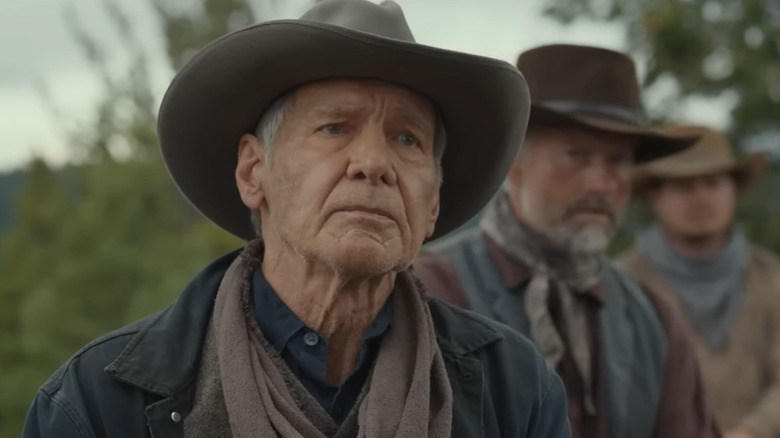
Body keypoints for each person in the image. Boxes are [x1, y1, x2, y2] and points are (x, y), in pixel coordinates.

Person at [21, 1, 572, 437]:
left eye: (407, 139)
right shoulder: (97, 404)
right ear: (253, 171)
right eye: (335, 127)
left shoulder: (515, 391)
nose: (374, 163)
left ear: (433, 202)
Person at [413, 44, 721, 438]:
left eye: (617, 161)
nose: (601, 182)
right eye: (577, 156)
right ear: (515, 164)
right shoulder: (430, 291)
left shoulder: (652, 318)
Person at [621, 124, 779, 438]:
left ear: (733, 188)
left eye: (712, 182)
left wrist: (750, 431)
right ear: (655, 195)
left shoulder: (771, 277)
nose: (701, 197)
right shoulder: (624, 283)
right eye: (683, 186)